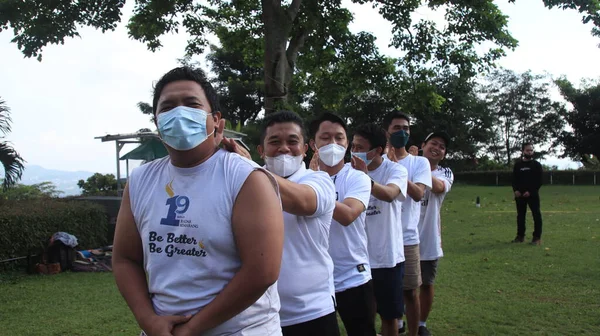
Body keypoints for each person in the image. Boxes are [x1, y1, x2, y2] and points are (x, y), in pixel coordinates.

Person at [112, 66, 284, 336]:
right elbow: (124, 259)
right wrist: (149, 320)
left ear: (216, 120)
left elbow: (262, 271)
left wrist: (192, 329)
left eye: (191, 104)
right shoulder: (141, 180)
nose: (179, 113)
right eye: (167, 107)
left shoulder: (246, 178)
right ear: (157, 122)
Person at [257, 111, 339, 336]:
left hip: (312, 312)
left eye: (293, 142)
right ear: (261, 150)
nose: (284, 148)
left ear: (305, 150)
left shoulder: (318, 181)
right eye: (274, 142)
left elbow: (302, 201)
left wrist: (246, 169)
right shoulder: (245, 180)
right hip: (259, 316)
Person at [308, 113, 376, 336]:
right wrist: (311, 179)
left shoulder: (357, 178)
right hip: (315, 282)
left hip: (352, 276)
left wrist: (314, 188)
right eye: (325, 138)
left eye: (339, 138)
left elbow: (347, 215)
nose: (333, 144)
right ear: (312, 144)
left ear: (347, 144)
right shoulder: (303, 179)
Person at [350, 123, 408, 336]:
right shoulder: (348, 171)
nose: (355, 152)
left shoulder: (395, 170)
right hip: (357, 258)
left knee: (389, 315)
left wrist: (365, 178)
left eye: (360, 147)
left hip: (386, 257)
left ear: (377, 150)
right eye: (353, 146)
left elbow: (391, 194)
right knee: (362, 315)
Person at [382, 112, 432, 336]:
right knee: (380, 294)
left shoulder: (419, 162)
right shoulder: (378, 163)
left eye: (406, 128)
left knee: (411, 292)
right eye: (397, 128)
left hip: (408, 237)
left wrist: (399, 171)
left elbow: (419, 194)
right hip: (382, 238)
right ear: (387, 132)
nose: (402, 132)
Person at [417, 132, 454, 336]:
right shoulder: (405, 165)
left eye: (441, 146)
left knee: (426, 283)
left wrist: (417, 166)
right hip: (401, 237)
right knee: (397, 283)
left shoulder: (444, 172)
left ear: (444, 154)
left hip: (428, 238)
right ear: (423, 144)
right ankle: (396, 322)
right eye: (433, 143)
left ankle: (421, 323)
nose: (437, 148)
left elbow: (439, 187)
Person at [511, 142, 544, 245]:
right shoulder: (518, 165)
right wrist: (515, 190)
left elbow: (539, 181)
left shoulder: (536, 165)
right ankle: (520, 236)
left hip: (532, 195)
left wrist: (530, 192)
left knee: (536, 215)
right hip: (520, 196)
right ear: (523, 151)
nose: (530, 152)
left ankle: (536, 238)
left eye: (531, 150)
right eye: (527, 150)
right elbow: (514, 179)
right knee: (520, 216)